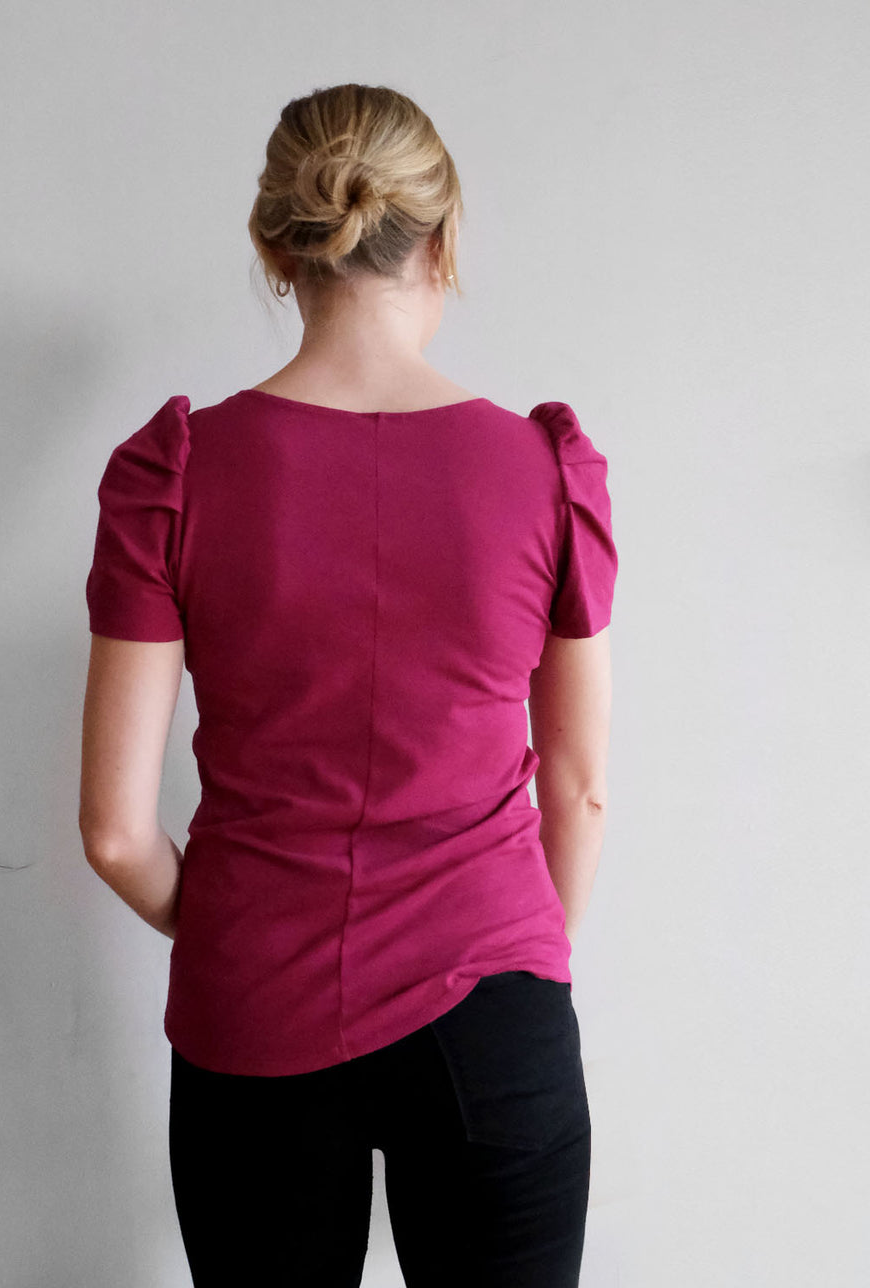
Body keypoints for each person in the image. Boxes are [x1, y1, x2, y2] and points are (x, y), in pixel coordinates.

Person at [79, 82, 617, 1288]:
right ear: (445, 238)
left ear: (279, 247)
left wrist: (234, 922)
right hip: (492, 1002)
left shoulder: (177, 472)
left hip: (256, 1005)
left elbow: (114, 831)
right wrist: (517, 959)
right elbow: (580, 790)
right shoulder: (545, 472)